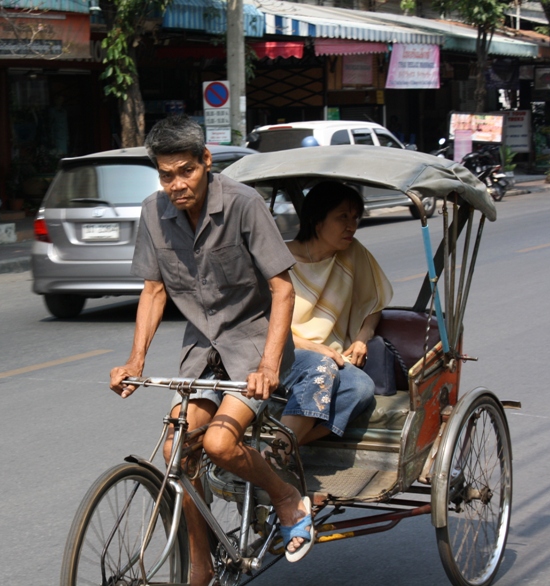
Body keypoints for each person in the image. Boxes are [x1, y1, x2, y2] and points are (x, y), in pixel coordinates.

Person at [109, 115, 312, 585]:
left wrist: (267, 366)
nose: (176, 184)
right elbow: (154, 290)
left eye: (186, 171)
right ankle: (200, 565)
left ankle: (285, 497)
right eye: (166, 175)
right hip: (203, 348)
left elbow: (283, 290)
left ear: (206, 161)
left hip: (256, 345)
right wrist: (135, 360)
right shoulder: (152, 214)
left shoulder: (244, 204)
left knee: (219, 443)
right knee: (177, 451)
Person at [277, 181, 392, 450]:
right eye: (342, 217)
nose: (351, 225)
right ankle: (279, 455)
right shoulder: (280, 258)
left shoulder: (353, 253)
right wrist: (311, 347)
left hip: (332, 356)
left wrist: (363, 338)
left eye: (355, 217)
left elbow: (373, 304)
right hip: (285, 351)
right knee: (322, 368)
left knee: (361, 388)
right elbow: (259, 323)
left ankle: (285, 449)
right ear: (317, 220)